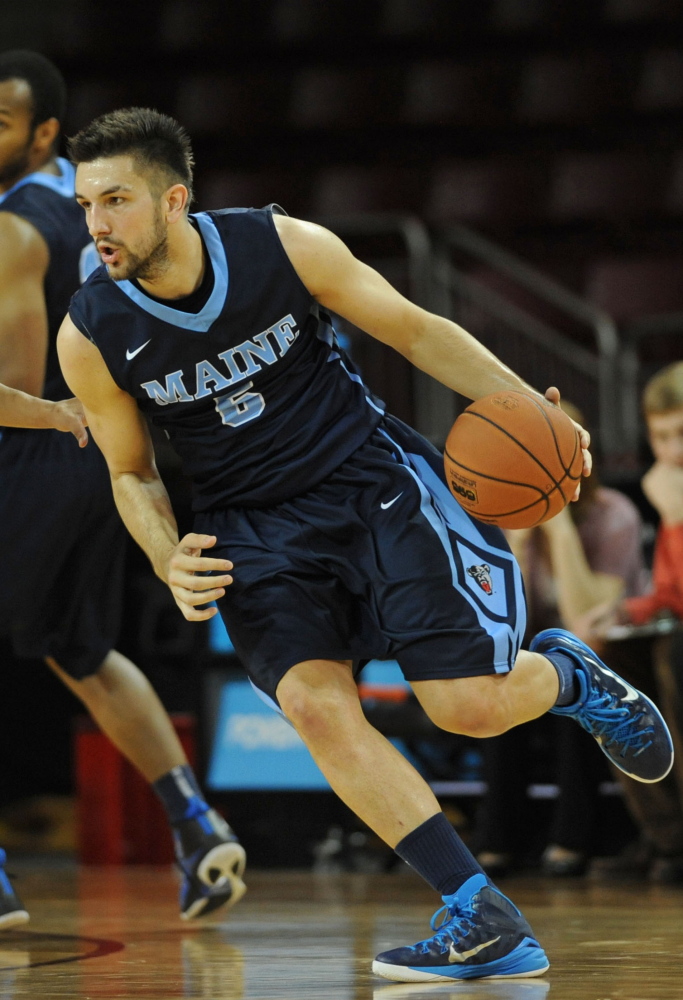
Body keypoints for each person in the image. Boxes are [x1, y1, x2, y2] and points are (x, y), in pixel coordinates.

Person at [58, 106, 673, 985]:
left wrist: (529, 411)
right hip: (249, 528)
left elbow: (415, 330)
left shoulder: (282, 246)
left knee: (465, 707)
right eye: (86, 204)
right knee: (316, 708)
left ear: (174, 200)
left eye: (115, 200)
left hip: (369, 481)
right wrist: (164, 553)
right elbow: (131, 471)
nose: (97, 224)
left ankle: (570, 678)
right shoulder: (90, 330)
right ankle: (477, 912)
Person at [0, 50, 245, 928]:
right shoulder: (92, 209)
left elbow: (15, 391)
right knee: (84, 653)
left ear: (43, 134)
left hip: (34, 450)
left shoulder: (15, 231)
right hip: (105, 454)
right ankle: (196, 825)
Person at [474, 402, 650, 878]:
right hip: (532, 650)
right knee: (500, 678)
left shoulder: (614, 515)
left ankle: (572, 838)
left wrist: (559, 528)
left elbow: (582, 625)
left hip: (608, 656)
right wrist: (516, 542)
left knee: (574, 679)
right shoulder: (496, 515)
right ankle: (498, 839)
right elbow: (499, 623)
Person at [581, 360, 683, 881]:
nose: (674, 450)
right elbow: (669, 594)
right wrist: (622, 612)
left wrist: (676, 518)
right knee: (605, 664)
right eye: (662, 437)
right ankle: (667, 839)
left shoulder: (671, 495)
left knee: (677, 654)